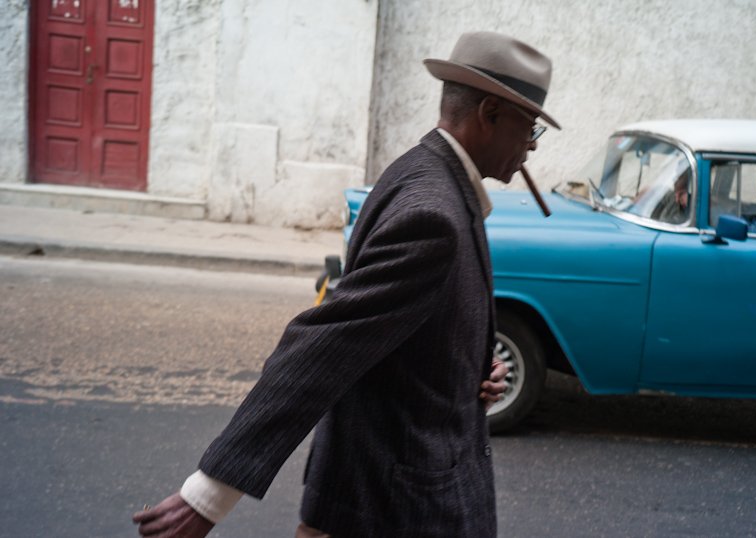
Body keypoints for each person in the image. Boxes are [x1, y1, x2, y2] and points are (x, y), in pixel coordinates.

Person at [133, 31, 560, 538]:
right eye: (528, 127)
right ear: (489, 112)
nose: (530, 148)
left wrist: (468, 366)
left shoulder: (422, 172)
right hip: (390, 508)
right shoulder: (434, 213)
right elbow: (323, 347)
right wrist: (208, 495)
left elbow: (399, 327)